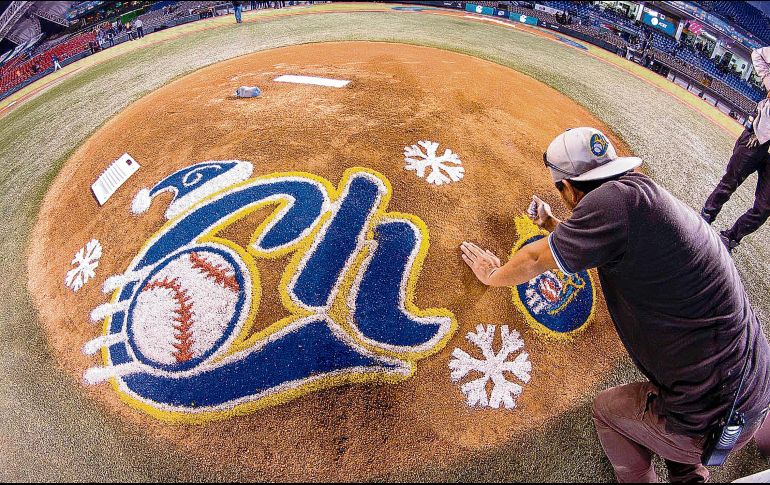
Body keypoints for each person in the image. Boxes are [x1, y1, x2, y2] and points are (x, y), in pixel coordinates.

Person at [461, 127, 770, 483]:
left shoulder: (608, 205)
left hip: (717, 414)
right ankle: (689, 475)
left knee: (608, 411)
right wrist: (551, 224)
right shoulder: (640, 196)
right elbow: (607, 242)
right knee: (680, 404)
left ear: (568, 187)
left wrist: (493, 274)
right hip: (752, 384)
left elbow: (533, 259)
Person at [701, 46, 770, 252]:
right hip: (756, 139)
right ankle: (705, 218)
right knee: (729, 183)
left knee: (764, 208)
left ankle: (730, 238)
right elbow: (757, 54)